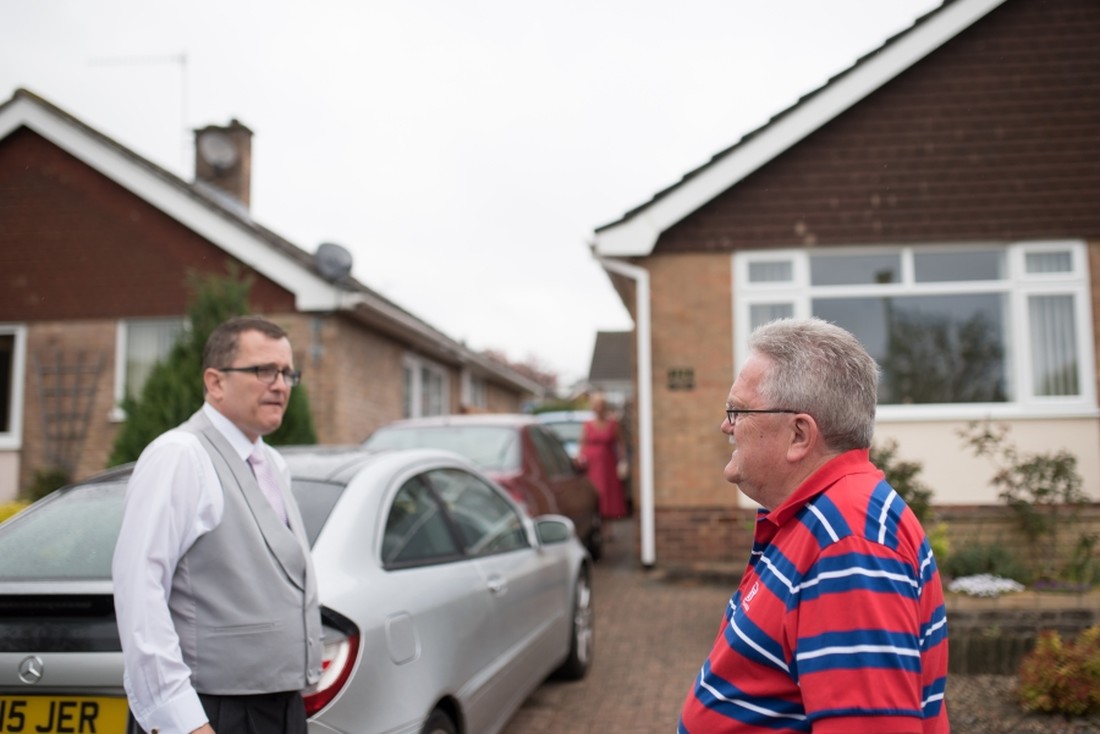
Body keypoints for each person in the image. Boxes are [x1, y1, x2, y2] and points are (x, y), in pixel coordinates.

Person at [679, 318, 949, 733]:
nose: (726, 426)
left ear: (799, 435)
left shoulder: (848, 543)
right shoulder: (820, 517)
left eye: (737, 411)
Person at [112, 316, 321, 734]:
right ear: (215, 382)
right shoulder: (179, 455)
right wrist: (181, 720)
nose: (280, 385)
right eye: (264, 370)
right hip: (210, 713)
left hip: (277, 711)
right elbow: (140, 587)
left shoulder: (274, 464)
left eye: (286, 373)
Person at [578, 393, 630, 522]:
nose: (599, 408)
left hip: (608, 463)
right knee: (594, 492)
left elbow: (621, 443)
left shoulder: (613, 423)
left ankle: (607, 526)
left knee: (608, 493)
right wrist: (580, 459)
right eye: (596, 405)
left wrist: (622, 461)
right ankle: (596, 523)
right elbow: (582, 444)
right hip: (592, 464)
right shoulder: (587, 424)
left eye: (601, 405)